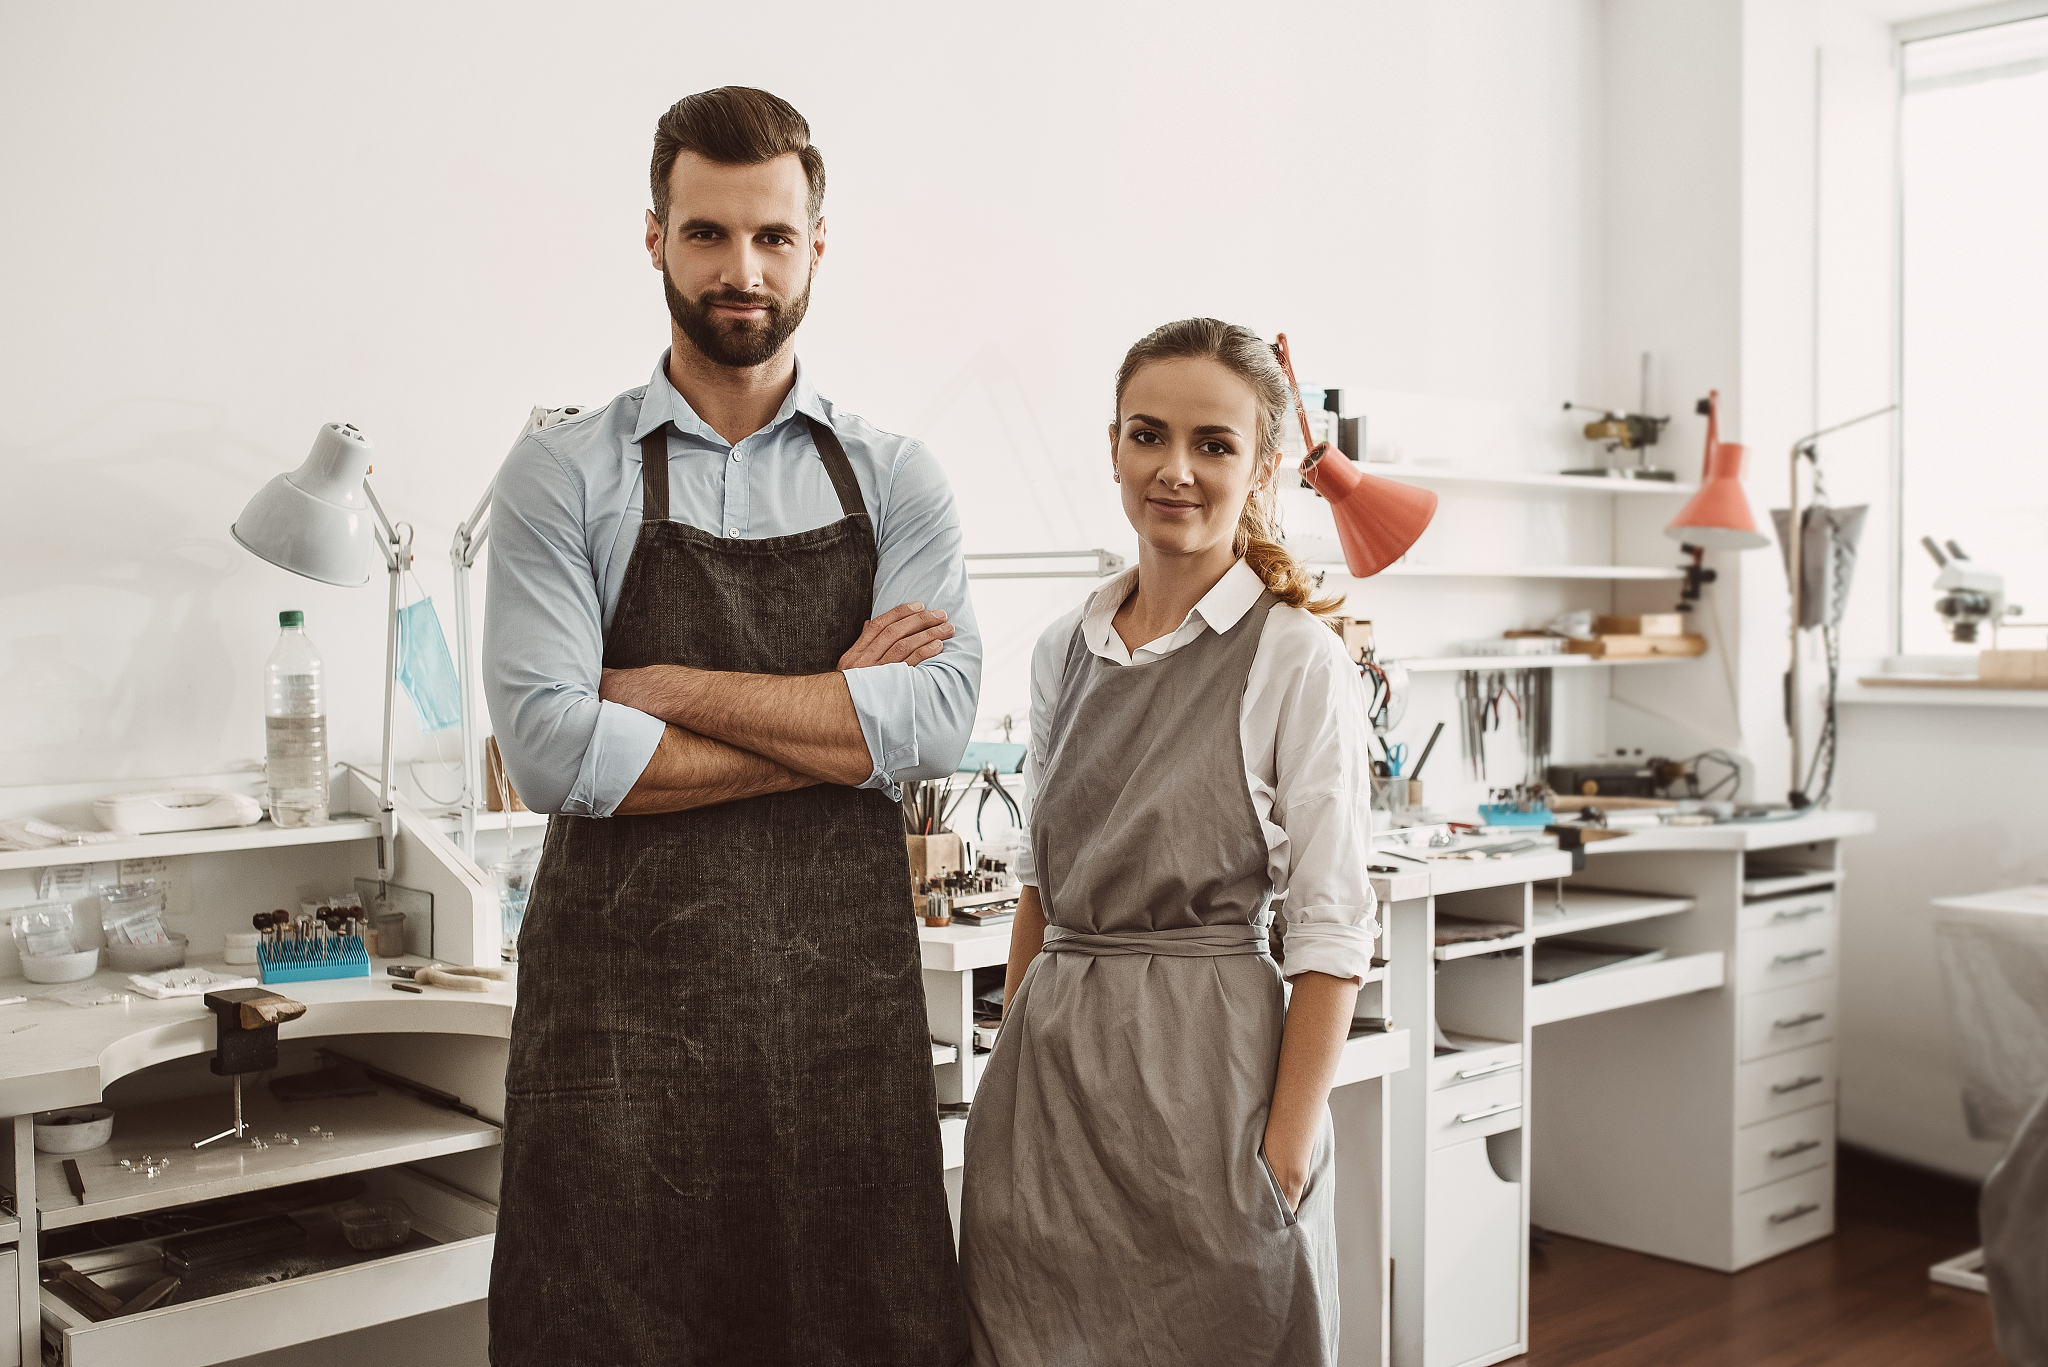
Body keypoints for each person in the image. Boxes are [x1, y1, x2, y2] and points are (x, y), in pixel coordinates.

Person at [483, 87, 977, 1365]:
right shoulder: (560, 473)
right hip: (614, 1034)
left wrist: (664, 687)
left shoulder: (895, 475)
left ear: (819, 244)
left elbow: (926, 730)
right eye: (706, 234)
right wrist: (831, 717)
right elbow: (550, 751)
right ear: (653, 237)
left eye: (771, 236)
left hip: (841, 1025)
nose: (739, 269)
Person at [958, 318, 1377, 1367]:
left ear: (1264, 467)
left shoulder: (1293, 658)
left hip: (1210, 1092)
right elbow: (1039, 889)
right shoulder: (1063, 647)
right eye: (1147, 435)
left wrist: (1279, 1157)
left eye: (1213, 444)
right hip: (1046, 1107)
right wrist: (1010, 1061)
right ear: (1111, 447)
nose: (1175, 470)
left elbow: (1331, 933)